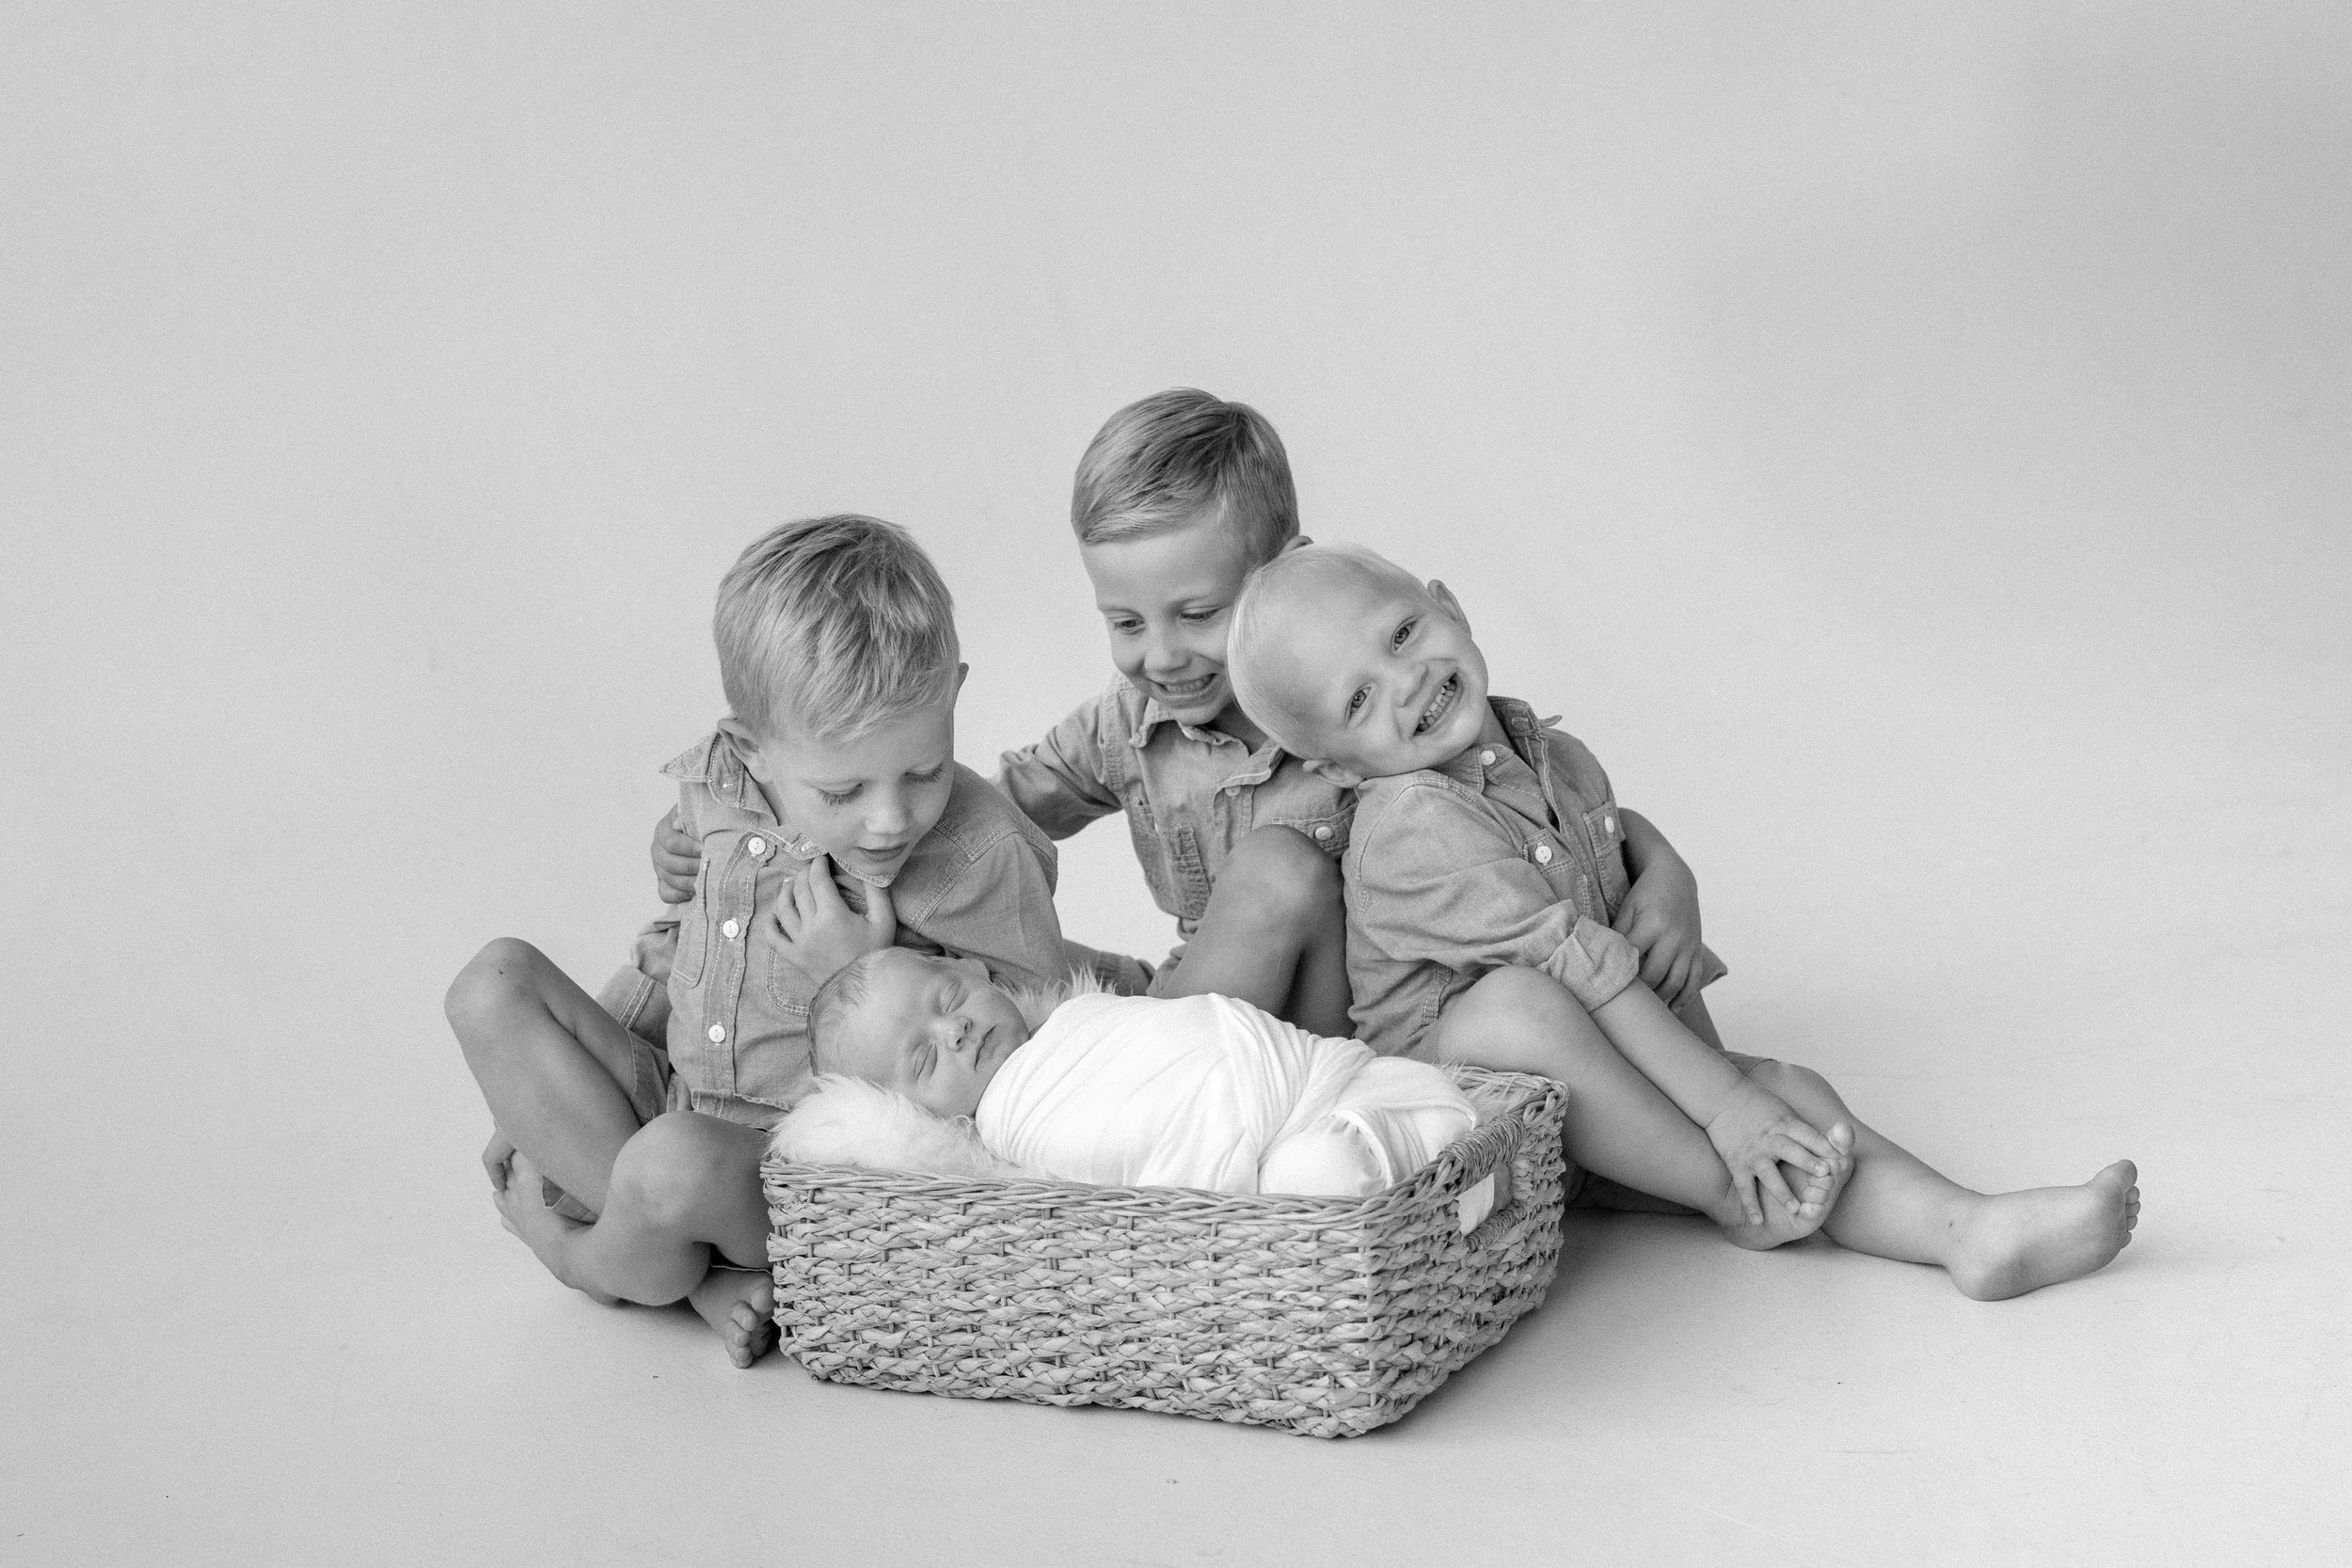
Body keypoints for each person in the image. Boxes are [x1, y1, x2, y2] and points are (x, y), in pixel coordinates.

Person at [653, 390, 1723, 1040]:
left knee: (1276, 868)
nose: (1160, 655)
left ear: (1285, 577)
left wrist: (1664, 875)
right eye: (1124, 619)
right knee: (1025, 960)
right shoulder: (1129, 726)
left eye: (1198, 613)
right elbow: (986, 821)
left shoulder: (1368, 720)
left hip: (1367, 1024)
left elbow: (1548, 800)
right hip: (1212, 1016)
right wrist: (806, 837)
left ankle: (1111, 1100)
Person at [1223, 542, 2141, 1298]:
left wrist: (1669, 882)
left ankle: (1964, 1227)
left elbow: (1618, 864)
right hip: (1464, 1128)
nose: (1405, 681)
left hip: (1599, 1115)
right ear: (1338, 766)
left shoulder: (1553, 754)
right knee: (1512, 1007)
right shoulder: (1413, 820)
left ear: (1447, 602)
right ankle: (1728, 1193)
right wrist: (1724, 1116)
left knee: (1793, 1094)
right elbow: (1580, 970)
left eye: (1402, 632)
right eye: (1357, 699)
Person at [444, 515, 1071, 1365]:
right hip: (675, 1099)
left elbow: (1036, 1057)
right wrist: (538, 1089)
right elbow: (682, 942)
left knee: (669, 1162)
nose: (890, 818)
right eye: (842, 789)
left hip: (784, 1172)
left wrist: (855, 972)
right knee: (492, 982)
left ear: (953, 693)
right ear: (754, 750)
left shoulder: (980, 855)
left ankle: (583, 1254)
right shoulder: (722, 788)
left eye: (923, 771)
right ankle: (674, 1254)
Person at [785, 947, 1483, 1199]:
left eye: (949, 999)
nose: (957, 1029)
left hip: (1303, 1072)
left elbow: (1198, 1029)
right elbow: (1123, 1142)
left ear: (976, 972)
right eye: (926, 1058)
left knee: (1433, 1094)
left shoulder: (1081, 1014)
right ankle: (1410, 1175)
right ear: (914, 1114)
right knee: (1320, 1173)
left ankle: (1419, 1156)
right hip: (1263, 1149)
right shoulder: (1013, 1129)